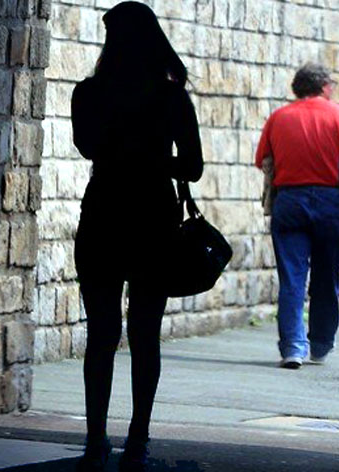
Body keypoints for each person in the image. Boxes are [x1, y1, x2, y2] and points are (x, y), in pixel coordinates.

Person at [70, 2, 203, 471]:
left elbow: (88, 146)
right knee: (145, 334)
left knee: (101, 333)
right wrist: (153, 159)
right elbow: (193, 168)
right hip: (152, 219)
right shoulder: (171, 99)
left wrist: (122, 150)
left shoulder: (88, 93)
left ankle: (94, 440)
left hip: (103, 215)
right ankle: (138, 439)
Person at [255, 63, 339, 370]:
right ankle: (320, 344)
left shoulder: (279, 117)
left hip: (290, 201)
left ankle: (293, 347)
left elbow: (262, 159)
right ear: (325, 87)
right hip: (332, 203)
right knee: (326, 277)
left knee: (292, 277)